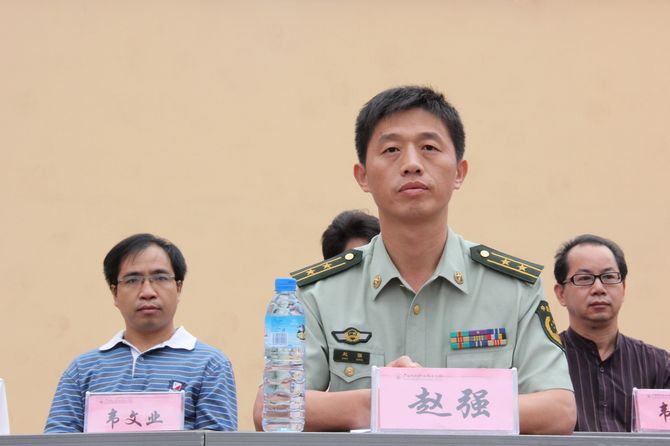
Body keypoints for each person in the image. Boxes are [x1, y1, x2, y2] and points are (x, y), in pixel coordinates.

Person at [253, 85, 575, 433]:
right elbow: (273, 406)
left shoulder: (513, 289)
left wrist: (423, 400)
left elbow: (558, 410)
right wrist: (381, 400)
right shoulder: (318, 293)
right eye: (391, 149)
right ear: (363, 176)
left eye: (429, 148)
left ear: (460, 172)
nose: (411, 164)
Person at [45, 233, 237, 432]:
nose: (147, 292)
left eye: (160, 278)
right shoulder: (83, 369)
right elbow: (58, 439)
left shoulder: (210, 364)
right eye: (132, 280)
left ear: (178, 288)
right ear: (115, 293)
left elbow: (216, 440)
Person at [554, 234, 670, 432]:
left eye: (609, 277)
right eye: (584, 279)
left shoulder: (658, 365)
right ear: (561, 293)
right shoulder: (544, 361)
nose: (598, 288)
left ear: (623, 288)